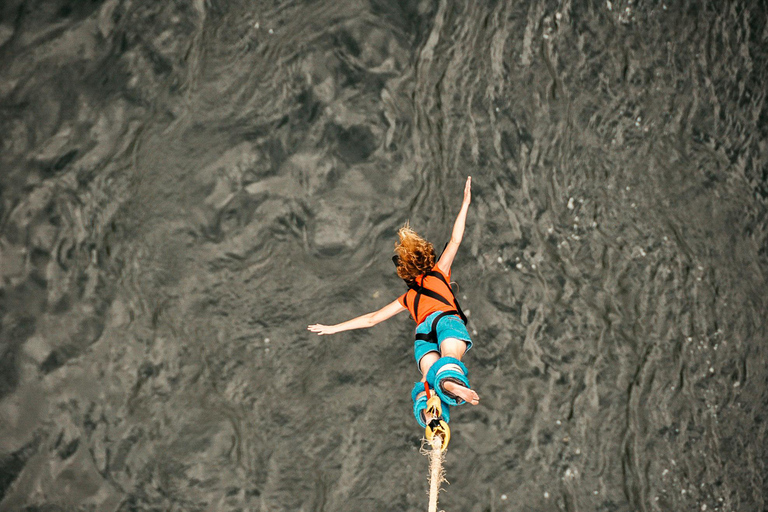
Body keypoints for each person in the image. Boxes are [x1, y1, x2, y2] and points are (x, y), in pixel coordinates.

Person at [308, 176, 479, 429]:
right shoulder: (440, 272)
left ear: (406, 273)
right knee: (451, 356)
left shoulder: (408, 298)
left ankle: (429, 411)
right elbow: (455, 239)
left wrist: (334, 327)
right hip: (446, 319)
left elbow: (372, 319)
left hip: (423, 333)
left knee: (426, 379)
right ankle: (450, 383)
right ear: (427, 258)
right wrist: (464, 205)